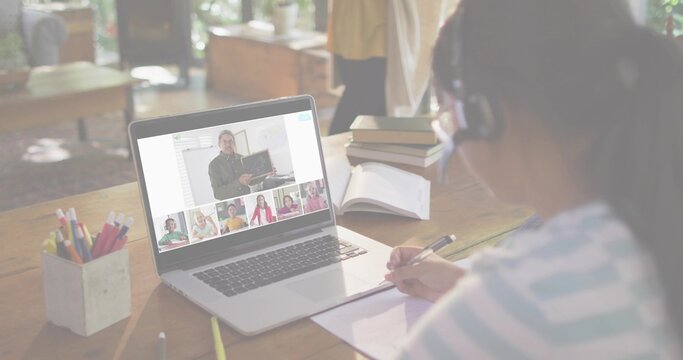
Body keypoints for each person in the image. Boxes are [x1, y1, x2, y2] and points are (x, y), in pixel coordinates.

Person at [385, 1, 683, 358]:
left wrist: (491, 303)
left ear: (487, 113)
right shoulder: (652, 221)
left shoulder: (525, 296)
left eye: (448, 118)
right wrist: (465, 286)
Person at [208, 130, 252, 200]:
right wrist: (239, 182)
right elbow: (218, 193)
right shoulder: (214, 165)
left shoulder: (242, 158)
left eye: (230, 141)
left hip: (248, 197)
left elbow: (251, 180)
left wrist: (266, 173)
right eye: (224, 142)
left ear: (234, 144)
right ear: (219, 144)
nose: (228, 144)